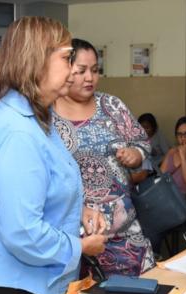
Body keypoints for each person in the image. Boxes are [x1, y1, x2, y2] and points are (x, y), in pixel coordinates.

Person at [0, 17, 107, 294]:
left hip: (37, 285)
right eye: (67, 58)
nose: (73, 70)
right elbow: (22, 232)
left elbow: (42, 188)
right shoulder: (18, 131)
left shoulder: (39, 119)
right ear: (37, 61)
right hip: (9, 289)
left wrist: (79, 210)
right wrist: (80, 247)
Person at [52, 38, 155, 276]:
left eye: (95, 70)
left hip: (123, 233)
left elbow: (142, 143)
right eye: (81, 71)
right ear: (65, 70)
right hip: (70, 238)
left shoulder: (112, 105)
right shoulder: (48, 115)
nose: (90, 77)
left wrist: (136, 155)